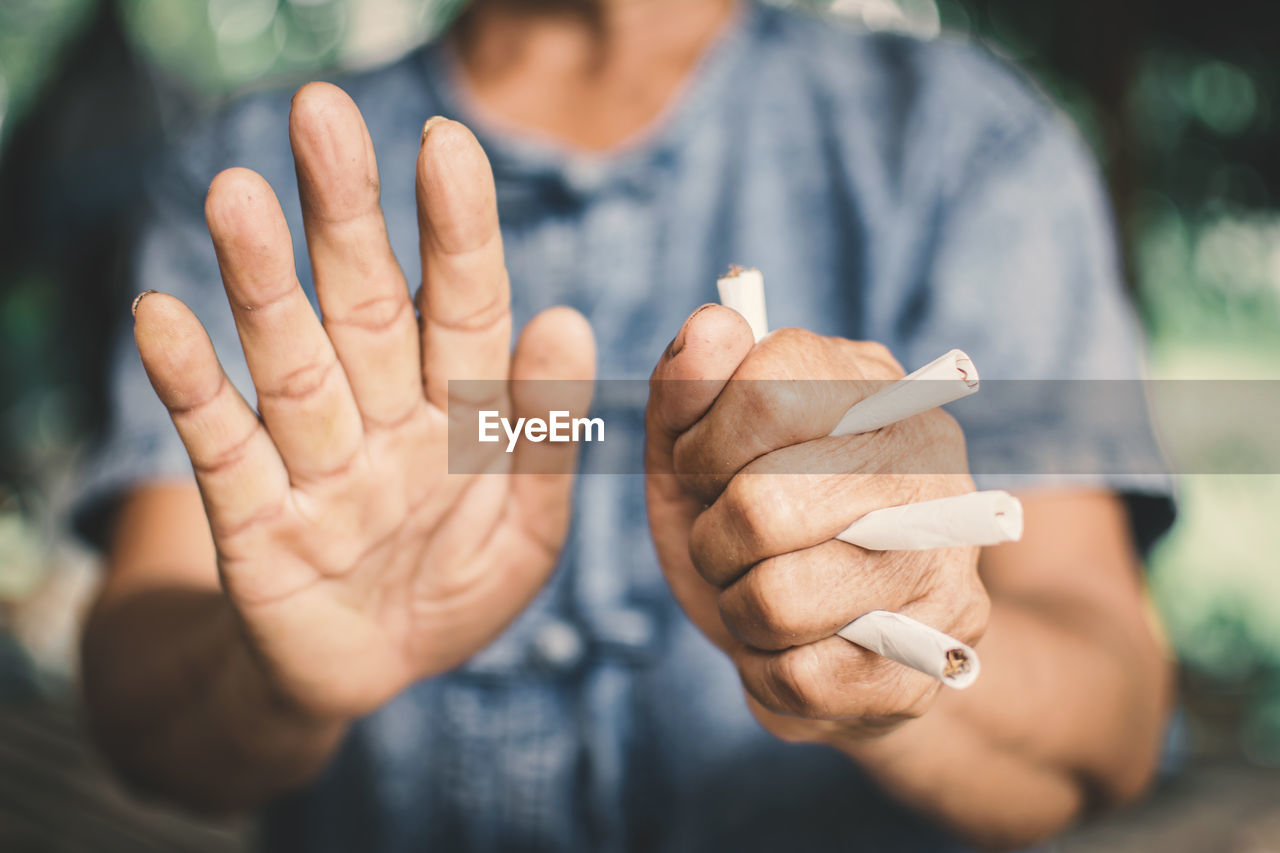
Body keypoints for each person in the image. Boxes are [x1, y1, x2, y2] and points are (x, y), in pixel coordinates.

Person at [74, 0, 1175, 850]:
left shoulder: (958, 147)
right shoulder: (256, 181)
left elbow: (1107, 719)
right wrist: (270, 675)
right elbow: (142, 708)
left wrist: (893, 648)